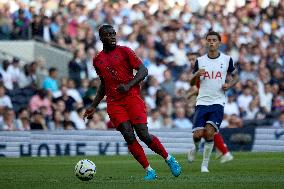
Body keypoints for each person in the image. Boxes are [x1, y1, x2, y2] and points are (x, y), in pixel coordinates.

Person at [83, 24, 181, 180]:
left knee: (144, 135)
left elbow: (143, 70)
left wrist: (128, 85)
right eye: (108, 34)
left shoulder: (125, 51)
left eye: (113, 33)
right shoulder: (97, 60)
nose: (112, 36)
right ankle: (149, 170)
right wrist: (93, 106)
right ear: (101, 38)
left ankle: (169, 159)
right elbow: (103, 84)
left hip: (132, 97)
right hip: (114, 102)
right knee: (128, 135)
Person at [188, 31, 239, 172]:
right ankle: (195, 148)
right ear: (206, 42)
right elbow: (191, 81)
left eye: (214, 40)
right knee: (198, 134)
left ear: (219, 43)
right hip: (202, 102)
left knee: (210, 133)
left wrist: (229, 85)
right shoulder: (200, 61)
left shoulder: (227, 59)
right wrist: (197, 74)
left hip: (218, 102)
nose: (211, 42)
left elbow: (235, 77)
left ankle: (204, 164)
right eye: (209, 40)